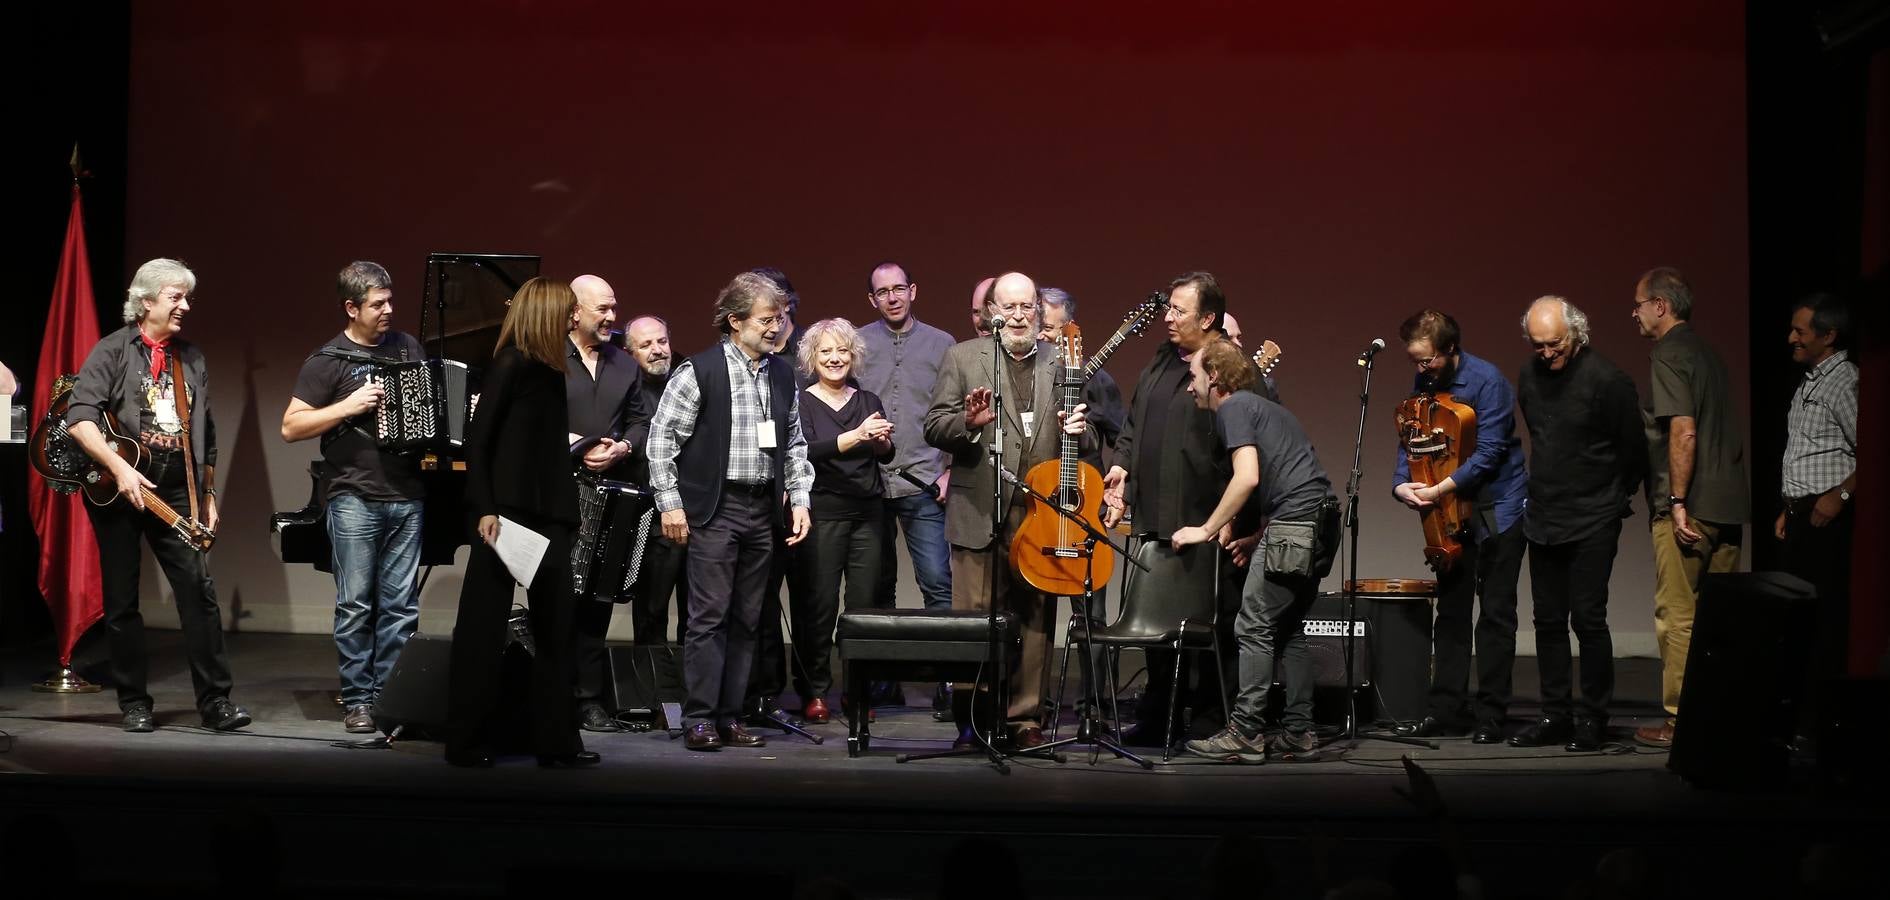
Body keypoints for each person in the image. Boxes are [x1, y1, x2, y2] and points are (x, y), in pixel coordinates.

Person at [67, 258, 248, 733]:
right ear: (146, 302)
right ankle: (134, 703)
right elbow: (80, 420)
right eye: (175, 297)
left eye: (186, 297)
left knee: (199, 594)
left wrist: (207, 494)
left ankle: (216, 703)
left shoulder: (193, 357)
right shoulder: (111, 351)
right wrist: (120, 469)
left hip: (175, 489)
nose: (185, 306)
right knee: (123, 600)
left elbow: (204, 433)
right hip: (118, 489)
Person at [923, 271, 1093, 749]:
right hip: (978, 509)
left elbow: (1090, 436)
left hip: (1041, 513)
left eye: (1027, 308)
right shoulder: (962, 357)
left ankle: (1024, 720)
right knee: (973, 620)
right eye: (1009, 307)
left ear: (1038, 312)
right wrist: (969, 422)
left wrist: (1081, 432)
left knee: (1036, 618)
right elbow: (934, 426)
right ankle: (972, 720)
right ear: (990, 313)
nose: (1018, 316)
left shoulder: (1061, 362)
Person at [647, 271, 814, 751]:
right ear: (735, 321)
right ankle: (699, 717)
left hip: (763, 509)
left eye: (780, 318)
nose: (775, 327)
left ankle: (730, 715)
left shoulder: (782, 373)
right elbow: (661, 441)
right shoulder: (699, 371)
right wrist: (671, 504)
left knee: (749, 618)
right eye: (766, 319)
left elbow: (795, 444)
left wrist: (799, 500)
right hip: (715, 509)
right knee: (709, 617)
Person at [444, 276, 593, 768]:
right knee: (482, 627)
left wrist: (566, 518)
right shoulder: (510, 364)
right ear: (548, 313)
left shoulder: (551, 370)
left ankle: (557, 742)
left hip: (548, 518)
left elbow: (545, 454)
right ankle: (466, 743)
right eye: (569, 310)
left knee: (556, 629)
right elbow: (478, 443)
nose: (576, 317)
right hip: (503, 520)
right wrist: (484, 508)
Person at [280, 260, 427, 734]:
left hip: (407, 495)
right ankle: (359, 699)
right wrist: (348, 406)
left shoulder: (407, 348)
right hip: (353, 498)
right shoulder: (328, 360)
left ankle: (391, 697)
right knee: (356, 604)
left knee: (402, 607)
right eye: (377, 304)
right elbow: (291, 426)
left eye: (389, 301)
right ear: (351, 308)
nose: (388, 310)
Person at [1100, 272, 1245, 745]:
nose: (1168, 318)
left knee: (1209, 624)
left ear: (1208, 318)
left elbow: (1249, 449)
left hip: (1207, 519)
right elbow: (1133, 423)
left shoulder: (1233, 368)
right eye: (1169, 309)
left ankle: (1210, 716)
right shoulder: (1162, 361)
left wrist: (1234, 522)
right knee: (1156, 626)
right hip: (1155, 517)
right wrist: (1121, 466)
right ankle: (1160, 713)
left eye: (1179, 311)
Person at [1178, 338, 1339, 763]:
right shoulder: (1269, 409)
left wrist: (1206, 528)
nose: (1190, 386)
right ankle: (1300, 733)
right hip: (1319, 521)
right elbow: (1295, 478)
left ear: (1214, 376)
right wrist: (1258, 537)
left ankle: (1245, 732)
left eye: (1193, 376)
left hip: (1297, 523)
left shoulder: (1234, 408)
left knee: (1252, 626)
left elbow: (1247, 477)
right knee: (1289, 629)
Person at [1387, 310, 1528, 744]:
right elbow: (1412, 435)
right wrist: (1401, 486)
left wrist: (1441, 489)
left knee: (1496, 617)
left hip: (1497, 511)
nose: (1420, 369)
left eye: (1426, 361)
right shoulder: (1426, 380)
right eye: (1414, 361)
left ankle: (1490, 714)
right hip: (1448, 513)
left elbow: (1489, 453)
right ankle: (1445, 708)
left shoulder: (1488, 383)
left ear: (1449, 350)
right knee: (1450, 614)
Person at [1512, 296, 1646, 752]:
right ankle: (1555, 715)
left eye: (1554, 344)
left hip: (1593, 516)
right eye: (1538, 345)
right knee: (1547, 621)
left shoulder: (1608, 381)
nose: (1547, 354)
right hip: (1544, 514)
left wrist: (1611, 498)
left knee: (1588, 620)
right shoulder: (1530, 376)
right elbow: (1542, 435)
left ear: (1576, 332)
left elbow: (1633, 452)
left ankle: (1592, 720)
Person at [1629, 267, 1747, 748]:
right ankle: (1717, 714)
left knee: (1677, 615)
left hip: (1691, 505)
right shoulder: (1708, 355)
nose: (1633, 312)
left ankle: (1681, 722)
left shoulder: (1669, 354)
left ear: (1661, 305)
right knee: (1717, 616)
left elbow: (1685, 430)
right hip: (1727, 503)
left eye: (1638, 303)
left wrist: (1676, 503)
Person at [791, 317, 895, 723]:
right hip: (823, 512)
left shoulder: (868, 400)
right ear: (811, 357)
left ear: (854, 356)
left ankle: (857, 689)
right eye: (826, 351)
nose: (835, 359)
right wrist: (854, 438)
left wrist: (881, 441)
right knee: (818, 605)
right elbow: (806, 451)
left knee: (862, 607)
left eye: (843, 351)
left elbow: (885, 454)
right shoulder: (800, 401)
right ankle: (815, 690)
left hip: (868, 512)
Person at [562, 274, 653, 733]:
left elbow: (640, 419)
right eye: (603, 309)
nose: (612, 318)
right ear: (575, 311)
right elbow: (534, 418)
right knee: (558, 595)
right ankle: (552, 694)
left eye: (614, 308)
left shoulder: (623, 363)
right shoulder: (548, 357)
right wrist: (578, 443)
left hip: (610, 491)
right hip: (559, 491)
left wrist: (623, 447)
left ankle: (589, 700)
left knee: (597, 598)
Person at [1777, 293, 1857, 730]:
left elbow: (1875, 451)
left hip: (1828, 519)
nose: (1791, 338)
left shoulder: (1846, 381)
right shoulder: (1811, 379)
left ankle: (1823, 722)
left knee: (1823, 622)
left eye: (1801, 331)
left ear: (1828, 336)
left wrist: (1839, 496)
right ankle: (1800, 718)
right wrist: (1789, 506)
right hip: (1802, 515)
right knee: (1799, 621)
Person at [856, 261, 955, 613]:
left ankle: (942, 668)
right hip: (870, 483)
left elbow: (954, 413)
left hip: (924, 480)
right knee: (877, 586)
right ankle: (885, 666)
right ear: (873, 299)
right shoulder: (857, 344)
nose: (892, 298)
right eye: (883, 292)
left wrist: (950, 471)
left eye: (898, 289)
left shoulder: (943, 344)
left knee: (937, 583)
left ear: (912, 291)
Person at [618, 315, 689, 647]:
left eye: (662, 341)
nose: (658, 350)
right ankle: (650, 691)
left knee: (700, 613)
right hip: (651, 516)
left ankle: (695, 693)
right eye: (646, 345)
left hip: (697, 513)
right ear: (630, 352)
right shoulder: (626, 393)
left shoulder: (690, 380)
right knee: (651, 611)